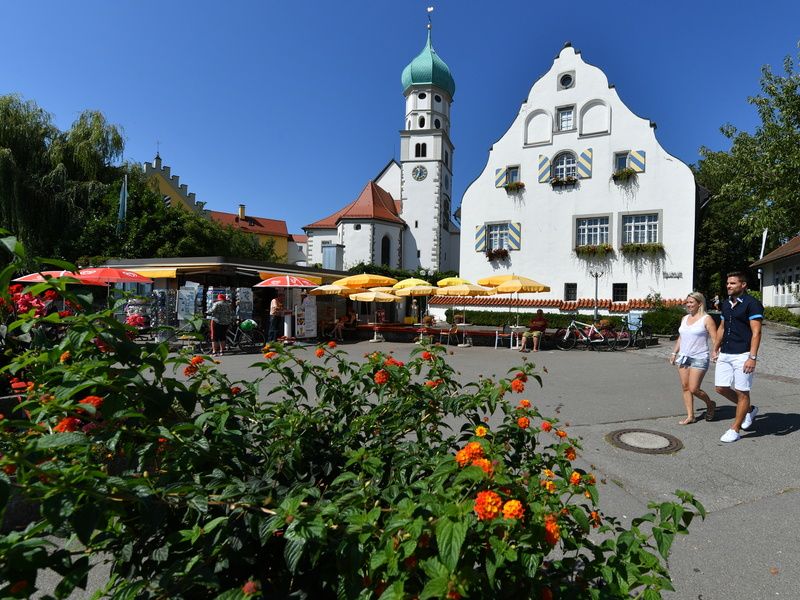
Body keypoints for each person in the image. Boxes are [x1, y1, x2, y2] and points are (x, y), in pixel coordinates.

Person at [712, 271, 764, 443]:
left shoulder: (752, 304)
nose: (728, 286)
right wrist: (715, 347)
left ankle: (735, 429)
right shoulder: (726, 304)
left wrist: (752, 357)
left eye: (733, 283)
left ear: (743, 285)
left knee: (742, 392)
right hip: (726, 352)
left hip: (743, 354)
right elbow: (721, 327)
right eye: (728, 283)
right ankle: (749, 409)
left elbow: (756, 332)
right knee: (720, 388)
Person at [669, 292, 717, 424]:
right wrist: (674, 353)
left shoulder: (707, 319)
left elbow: (715, 338)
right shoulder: (684, 318)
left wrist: (716, 352)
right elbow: (681, 337)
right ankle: (690, 416)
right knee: (685, 387)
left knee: (694, 388)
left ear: (699, 303)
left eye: (691, 302)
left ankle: (710, 404)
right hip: (684, 357)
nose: (688, 304)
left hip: (700, 357)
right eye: (687, 302)